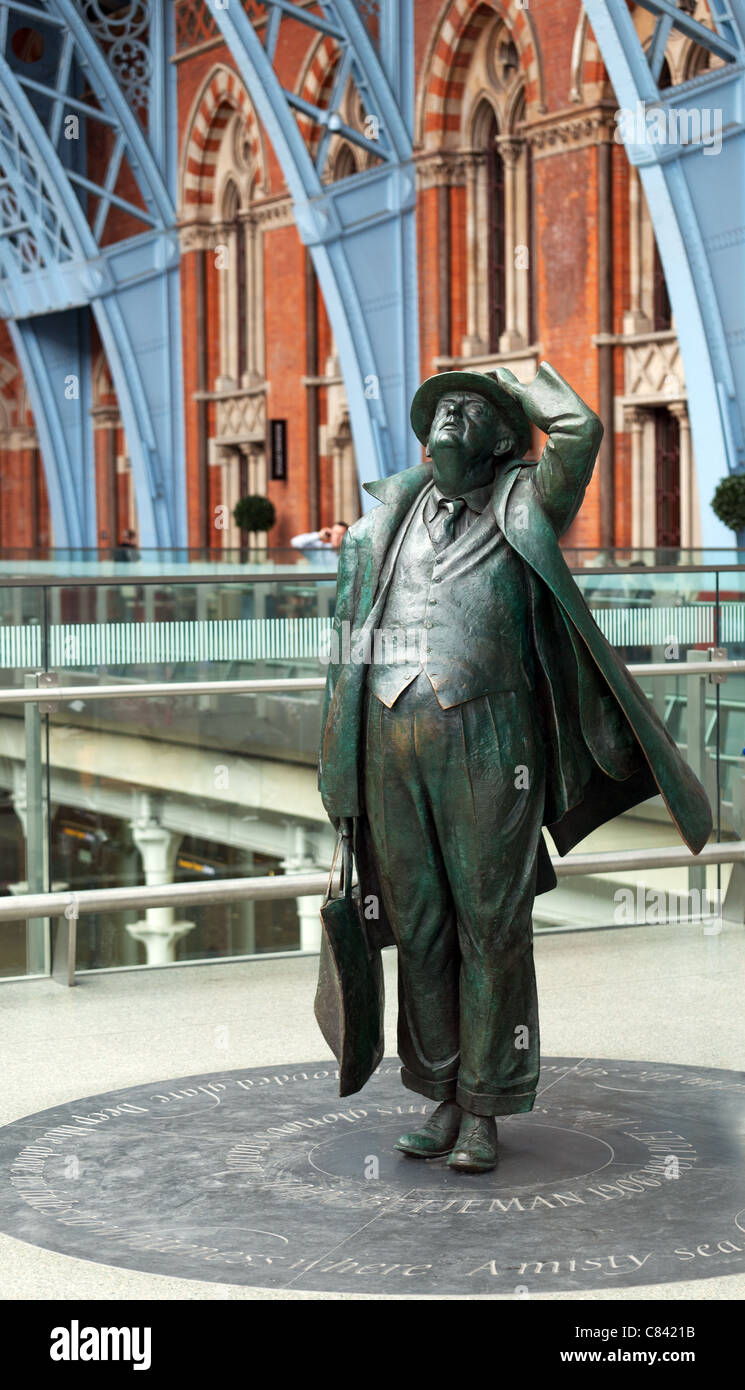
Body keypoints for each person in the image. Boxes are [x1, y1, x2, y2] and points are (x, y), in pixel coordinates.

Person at [317, 362, 711, 1173]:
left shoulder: (525, 501)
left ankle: (486, 1107)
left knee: (491, 928)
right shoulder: (378, 527)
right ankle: (438, 1091)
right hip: (390, 746)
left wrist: (519, 384)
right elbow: (349, 653)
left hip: (494, 743)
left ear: (501, 442)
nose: (453, 418)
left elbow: (580, 431)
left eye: (473, 411)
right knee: (420, 930)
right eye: (444, 409)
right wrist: (338, 766)